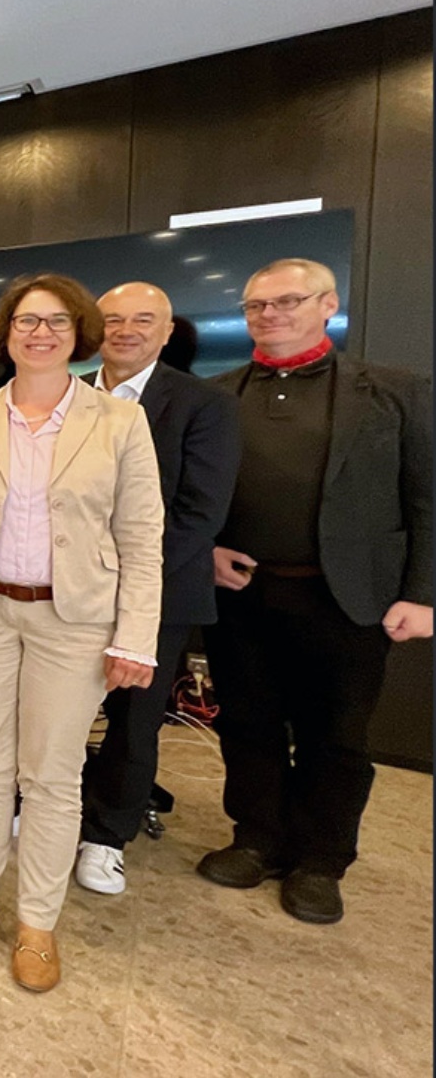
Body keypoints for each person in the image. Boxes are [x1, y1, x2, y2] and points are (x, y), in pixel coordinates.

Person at [0, 273, 163, 992]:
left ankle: (38, 922)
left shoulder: (117, 420)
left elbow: (143, 535)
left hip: (75, 621)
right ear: (8, 332)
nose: (41, 333)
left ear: (78, 332)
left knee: (53, 774)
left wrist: (135, 636)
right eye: (27, 321)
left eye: (56, 321)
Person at [201, 257, 433, 925]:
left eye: (288, 301)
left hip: (347, 598)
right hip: (241, 596)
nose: (270, 314)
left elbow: (427, 496)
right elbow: (199, 493)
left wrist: (423, 593)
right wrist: (209, 550)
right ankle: (257, 840)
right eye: (256, 306)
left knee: (336, 736)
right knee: (247, 724)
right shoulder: (217, 393)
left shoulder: (395, 391)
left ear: (327, 303)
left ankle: (320, 861)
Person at [72, 282, 240, 896]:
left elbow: (200, 513)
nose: (125, 330)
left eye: (143, 320)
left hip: (157, 592)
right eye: (112, 319)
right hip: (64, 592)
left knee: (133, 722)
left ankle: (106, 838)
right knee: (52, 714)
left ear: (167, 332)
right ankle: (41, 813)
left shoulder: (203, 404)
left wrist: (122, 579)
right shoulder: (65, 395)